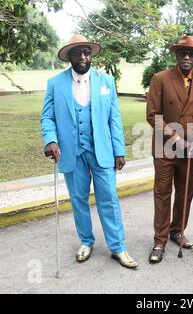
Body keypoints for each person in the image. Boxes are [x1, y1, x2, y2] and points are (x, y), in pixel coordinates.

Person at [40, 34, 137, 269]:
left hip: (101, 151)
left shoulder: (106, 81)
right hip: (72, 153)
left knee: (109, 199)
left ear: (91, 55)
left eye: (86, 52)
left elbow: (114, 118)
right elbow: (47, 116)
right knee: (78, 199)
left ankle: (117, 247)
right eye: (77, 53)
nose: (83, 57)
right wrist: (51, 140)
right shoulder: (55, 83)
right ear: (69, 57)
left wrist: (119, 151)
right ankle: (86, 241)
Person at [146, 35, 193, 263]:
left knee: (185, 193)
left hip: (190, 149)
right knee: (162, 193)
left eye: (191, 54)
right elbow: (153, 116)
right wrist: (178, 140)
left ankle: (177, 231)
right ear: (176, 55)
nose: (186, 57)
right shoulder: (160, 79)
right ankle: (160, 240)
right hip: (166, 148)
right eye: (182, 53)